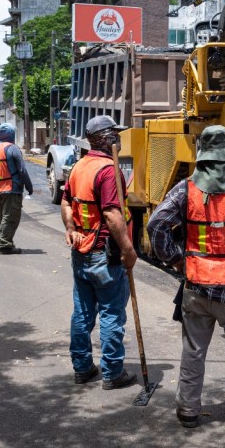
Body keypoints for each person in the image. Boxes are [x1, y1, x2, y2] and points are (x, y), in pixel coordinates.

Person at [148, 125, 225, 430]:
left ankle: (188, 410)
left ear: (202, 157)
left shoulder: (185, 190)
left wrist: (176, 260)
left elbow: (156, 225)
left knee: (194, 350)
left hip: (197, 287)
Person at [62, 115, 137, 390]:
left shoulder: (79, 166)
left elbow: (66, 202)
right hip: (105, 255)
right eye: (115, 134)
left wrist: (71, 228)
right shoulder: (108, 171)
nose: (118, 138)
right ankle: (113, 372)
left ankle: (82, 368)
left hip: (81, 251)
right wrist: (128, 249)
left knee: (82, 313)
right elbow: (111, 214)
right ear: (105, 138)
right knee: (111, 313)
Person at [0, 123, 33, 254]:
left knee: (4, 217)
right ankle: (5, 245)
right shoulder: (12, 148)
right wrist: (29, 186)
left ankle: (7, 242)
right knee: (11, 217)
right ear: (12, 135)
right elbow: (22, 170)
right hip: (12, 188)